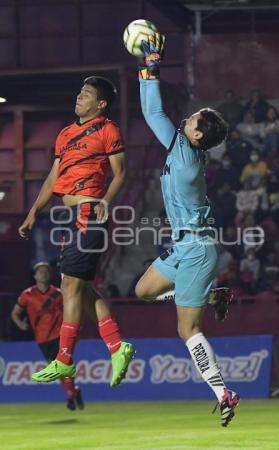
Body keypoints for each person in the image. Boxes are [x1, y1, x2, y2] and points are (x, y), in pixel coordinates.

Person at [134, 33, 240, 427]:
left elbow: (153, 113)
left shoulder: (183, 150)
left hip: (196, 249)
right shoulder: (185, 151)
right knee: (143, 291)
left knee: (186, 329)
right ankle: (212, 295)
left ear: (197, 134)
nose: (190, 117)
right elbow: (159, 118)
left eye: (196, 118)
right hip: (184, 249)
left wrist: (152, 65)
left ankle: (223, 391)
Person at [18, 76, 135, 387]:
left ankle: (65, 359)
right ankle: (116, 346)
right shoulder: (65, 134)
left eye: (87, 94)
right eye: (80, 92)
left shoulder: (108, 129)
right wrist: (33, 213)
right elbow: (52, 178)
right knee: (80, 288)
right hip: (67, 215)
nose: (80, 96)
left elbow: (122, 172)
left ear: (101, 104)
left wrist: (106, 202)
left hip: (88, 211)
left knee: (70, 285)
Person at [11, 262, 84, 410]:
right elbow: (15, 313)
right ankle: (74, 391)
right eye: (40, 272)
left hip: (60, 334)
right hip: (42, 338)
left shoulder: (58, 293)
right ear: (35, 276)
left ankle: (71, 394)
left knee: (65, 364)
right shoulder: (27, 295)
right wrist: (20, 324)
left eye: (46, 271)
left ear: (50, 275)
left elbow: (73, 310)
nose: (43, 274)